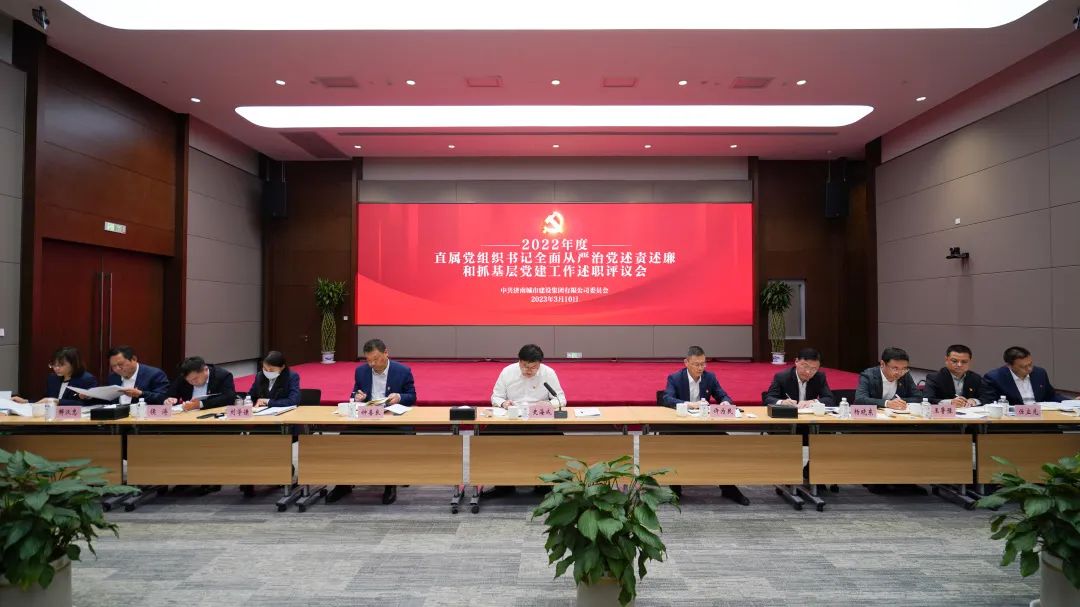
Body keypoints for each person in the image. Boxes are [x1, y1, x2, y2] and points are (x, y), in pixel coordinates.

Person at [327, 339, 417, 505]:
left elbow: (412, 396)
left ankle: (390, 484)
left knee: (389, 440)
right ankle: (343, 483)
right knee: (344, 438)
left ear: (386, 353)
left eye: (376, 359)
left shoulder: (402, 371)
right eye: (369, 360)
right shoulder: (361, 371)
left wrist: (399, 397)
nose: (372, 364)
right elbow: (355, 393)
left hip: (391, 419)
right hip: (368, 417)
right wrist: (357, 397)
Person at [660, 346, 749, 506]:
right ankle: (675, 487)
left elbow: (722, 394)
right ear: (686, 362)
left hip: (704, 426)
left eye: (703, 364)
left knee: (726, 442)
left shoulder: (710, 377)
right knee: (672, 443)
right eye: (696, 364)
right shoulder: (675, 378)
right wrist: (689, 404)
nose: (700, 368)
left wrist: (725, 402)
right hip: (680, 426)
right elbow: (667, 399)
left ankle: (728, 487)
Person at [11, 346, 97, 406]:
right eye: (54, 365)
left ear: (73, 364)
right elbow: (46, 401)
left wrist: (58, 401)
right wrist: (25, 401)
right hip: (51, 418)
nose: (56, 368)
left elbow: (87, 404)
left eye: (61, 365)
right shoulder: (52, 378)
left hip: (74, 421)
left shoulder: (86, 379)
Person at [491, 344, 567, 409]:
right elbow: (496, 397)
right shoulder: (508, 372)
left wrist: (549, 404)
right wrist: (503, 403)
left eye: (533, 367)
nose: (529, 371)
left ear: (540, 363)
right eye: (525, 366)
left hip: (539, 414)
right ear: (519, 361)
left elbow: (561, 399)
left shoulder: (548, 373)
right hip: (513, 413)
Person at [982, 346, 1066, 404]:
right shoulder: (995, 378)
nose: (1029, 369)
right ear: (1009, 366)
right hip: (1013, 420)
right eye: (1023, 367)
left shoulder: (1040, 373)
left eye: (1030, 364)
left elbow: (1051, 396)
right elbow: (989, 403)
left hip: (1041, 417)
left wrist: (1070, 402)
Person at [763, 348, 836, 407]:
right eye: (805, 366)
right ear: (796, 361)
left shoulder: (819, 377)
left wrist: (813, 402)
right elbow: (768, 399)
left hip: (810, 418)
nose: (808, 372)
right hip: (788, 417)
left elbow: (830, 399)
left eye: (813, 369)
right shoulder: (782, 377)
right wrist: (782, 402)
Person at [855, 347, 920, 409]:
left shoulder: (905, 375)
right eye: (895, 368)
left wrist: (897, 401)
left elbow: (918, 397)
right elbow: (860, 400)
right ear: (882, 364)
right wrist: (887, 403)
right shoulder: (869, 375)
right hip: (875, 415)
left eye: (904, 368)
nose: (900, 373)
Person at [162, 356, 236, 410]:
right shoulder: (183, 378)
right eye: (189, 381)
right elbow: (169, 395)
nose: (192, 382)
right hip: (187, 415)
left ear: (205, 370)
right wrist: (169, 400)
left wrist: (200, 404)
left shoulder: (223, 375)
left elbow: (229, 397)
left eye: (195, 379)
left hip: (213, 414)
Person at [105, 345, 170, 404]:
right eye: (113, 366)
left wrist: (140, 394)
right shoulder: (113, 377)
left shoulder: (155, 374)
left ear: (134, 359)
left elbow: (163, 398)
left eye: (120, 364)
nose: (117, 369)